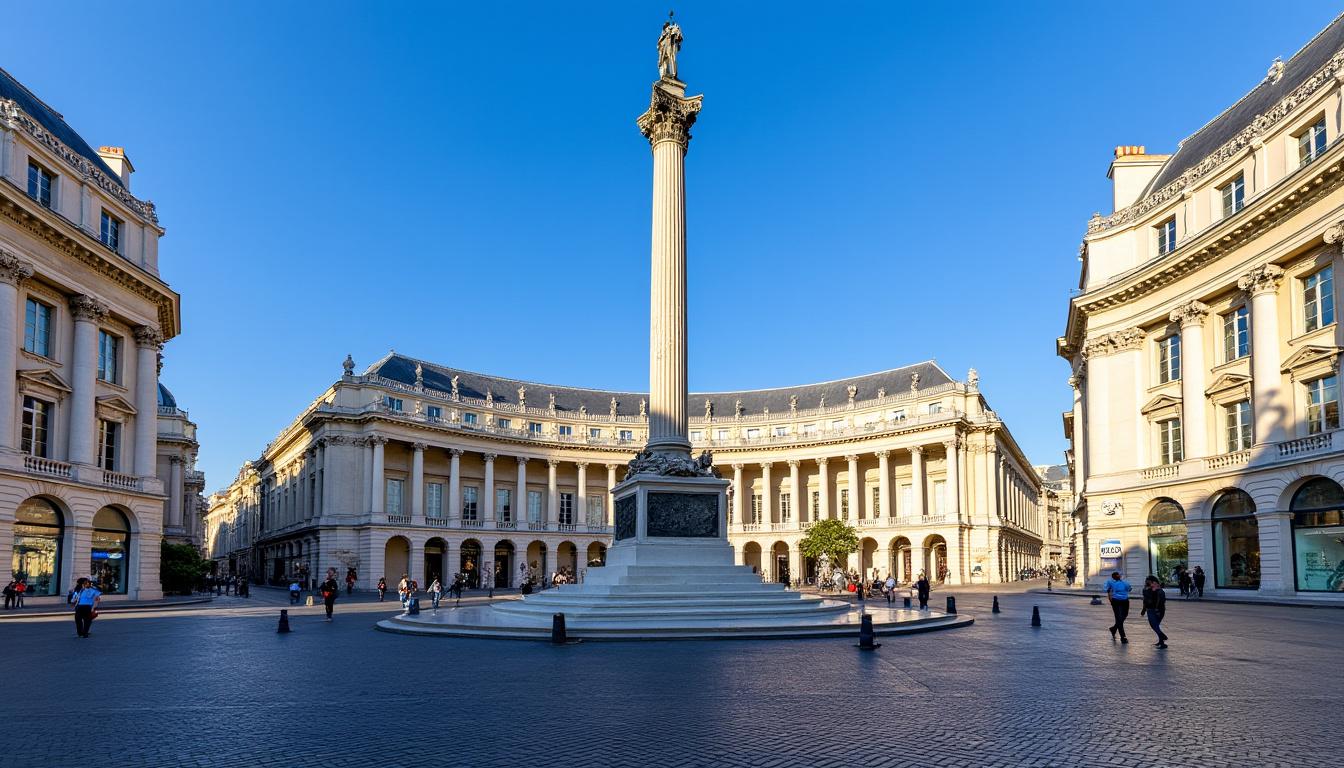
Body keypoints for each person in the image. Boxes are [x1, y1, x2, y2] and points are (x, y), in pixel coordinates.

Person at [1140, 576, 1168, 649]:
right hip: (1150, 609)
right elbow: (1145, 600)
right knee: (1155, 626)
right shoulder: (1147, 589)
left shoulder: (1158, 590)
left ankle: (1162, 638)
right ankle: (1161, 641)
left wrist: (1157, 610)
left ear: (1153, 582)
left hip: (1156, 610)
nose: (1146, 582)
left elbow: (1161, 601)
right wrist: (1143, 609)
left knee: (1154, 626)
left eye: (1147, 581)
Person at [1104, 571, 1132, 644]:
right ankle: (1123, 637)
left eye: (1119, 575)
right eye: (1117, 575)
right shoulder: (1110, 582)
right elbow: (1107, 590)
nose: (1118, 576)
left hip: (1125, 601)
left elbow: (1129, 589)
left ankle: (1114, 628)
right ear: (1113, 576)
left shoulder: (1124, 582)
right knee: (1118, 618)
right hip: (1116, 601)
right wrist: (1111, 599)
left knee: (1124, 615)